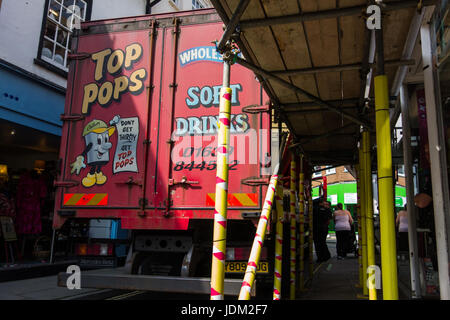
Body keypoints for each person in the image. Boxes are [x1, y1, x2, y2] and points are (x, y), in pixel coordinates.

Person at [313, 198, 332, 262]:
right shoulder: (327, 210)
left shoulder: (314, 209)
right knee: (323, 242)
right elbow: (329, 220)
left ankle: (320, 257)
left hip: (316, 228)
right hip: (324, 228)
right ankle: (326, 255)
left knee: (317, 243)